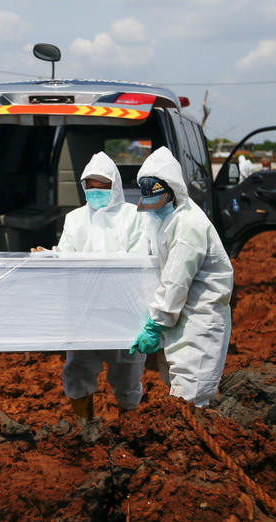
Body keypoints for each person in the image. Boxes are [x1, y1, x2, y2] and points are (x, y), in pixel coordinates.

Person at [131, 147, 234, 407]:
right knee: (177, 393)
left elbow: (176, 281)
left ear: (173, 192)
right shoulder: (159, 218)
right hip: (176, 318)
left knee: (192, 398)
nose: (154, 209)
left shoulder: (190, 226)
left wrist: (156, 323)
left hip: (199, 319)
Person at [56, 152, 148, 419]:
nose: (95, 191)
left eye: (102, 185)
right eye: (90, 186)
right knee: (78, 368)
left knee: (127, 370)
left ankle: (127, 428)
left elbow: (139, 258)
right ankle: (84, 428)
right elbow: (66, 255)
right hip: (84, 310)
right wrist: (50, 255)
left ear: (115, 186)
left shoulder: (134, 216)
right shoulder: (75, 218)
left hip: (123, 310)